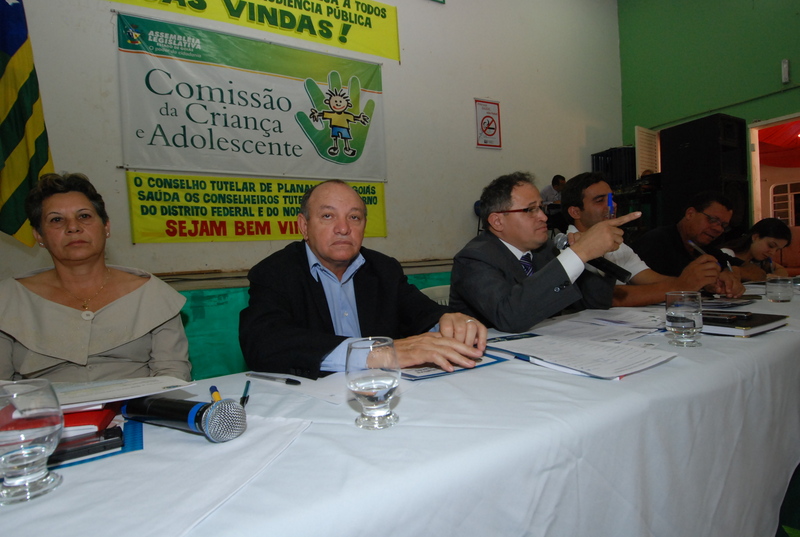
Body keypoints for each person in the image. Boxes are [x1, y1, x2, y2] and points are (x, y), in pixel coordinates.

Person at [239, 180, 487, 380]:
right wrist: (375, 354)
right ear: (304, 226)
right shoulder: (275, 272)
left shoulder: (383, 268)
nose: (343, 228)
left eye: (354, 217)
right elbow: (263, 343)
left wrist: (450, 321)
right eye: (328, 216)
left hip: (382, 390)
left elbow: (421, 312)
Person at [0, 173, 191, 382]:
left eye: (84, 216)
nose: (73, 227)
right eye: (56, 220)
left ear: (106, 227)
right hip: (42, 405)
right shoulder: (8, 299)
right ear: (39, 236)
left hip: (139, 403)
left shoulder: (152, 294)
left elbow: (172, 376)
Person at [448, 172, 641, 334]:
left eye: (541, 207)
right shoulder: (473, 259)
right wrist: (579, 253)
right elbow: (510, 316)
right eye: (530, 210)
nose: (543, 216)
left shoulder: (547, 250)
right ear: (498, 221)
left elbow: (596, 301)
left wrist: (594, 253)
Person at [562, 172, 728, 306]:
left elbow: (650, 279)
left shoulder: (620, 246)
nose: (612, 206)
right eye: (600, 201)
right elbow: (605, 296)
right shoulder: (564, 248)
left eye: (612, 199)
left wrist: (699, 282)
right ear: (575, 212)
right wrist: (682, 286)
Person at [632, 191, 745, 297]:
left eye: (723, 226)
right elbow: (640, 283)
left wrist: (732, 272)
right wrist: (700, 283)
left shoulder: (704, 248)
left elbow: (750, 270)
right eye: (713, 220)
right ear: (690, 214)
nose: (718, 229)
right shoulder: (656, 242)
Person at [721, 218, 792, 281]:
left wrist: (775, 277)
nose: (773, 253)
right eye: (771, 245)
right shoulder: (727, 254)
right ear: (755, 237)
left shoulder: (759, 261)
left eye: (777, 250)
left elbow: (780, 269)